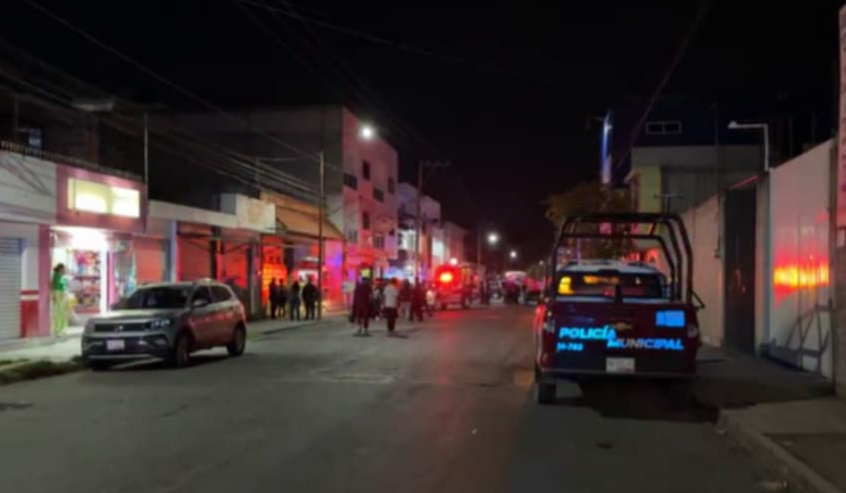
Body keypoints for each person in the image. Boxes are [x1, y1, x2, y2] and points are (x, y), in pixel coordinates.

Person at [51, 263, 68, 336]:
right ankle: (56, 329)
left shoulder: (63, 277)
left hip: (63, 294)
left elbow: (64, 287)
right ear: (60, 269)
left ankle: (62, 329)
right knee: (57, 312)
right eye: (64, 269)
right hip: (57, 294)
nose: (65, 270)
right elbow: (52, 285)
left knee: (63, 313)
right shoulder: (55, 275)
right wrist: (53, 295)